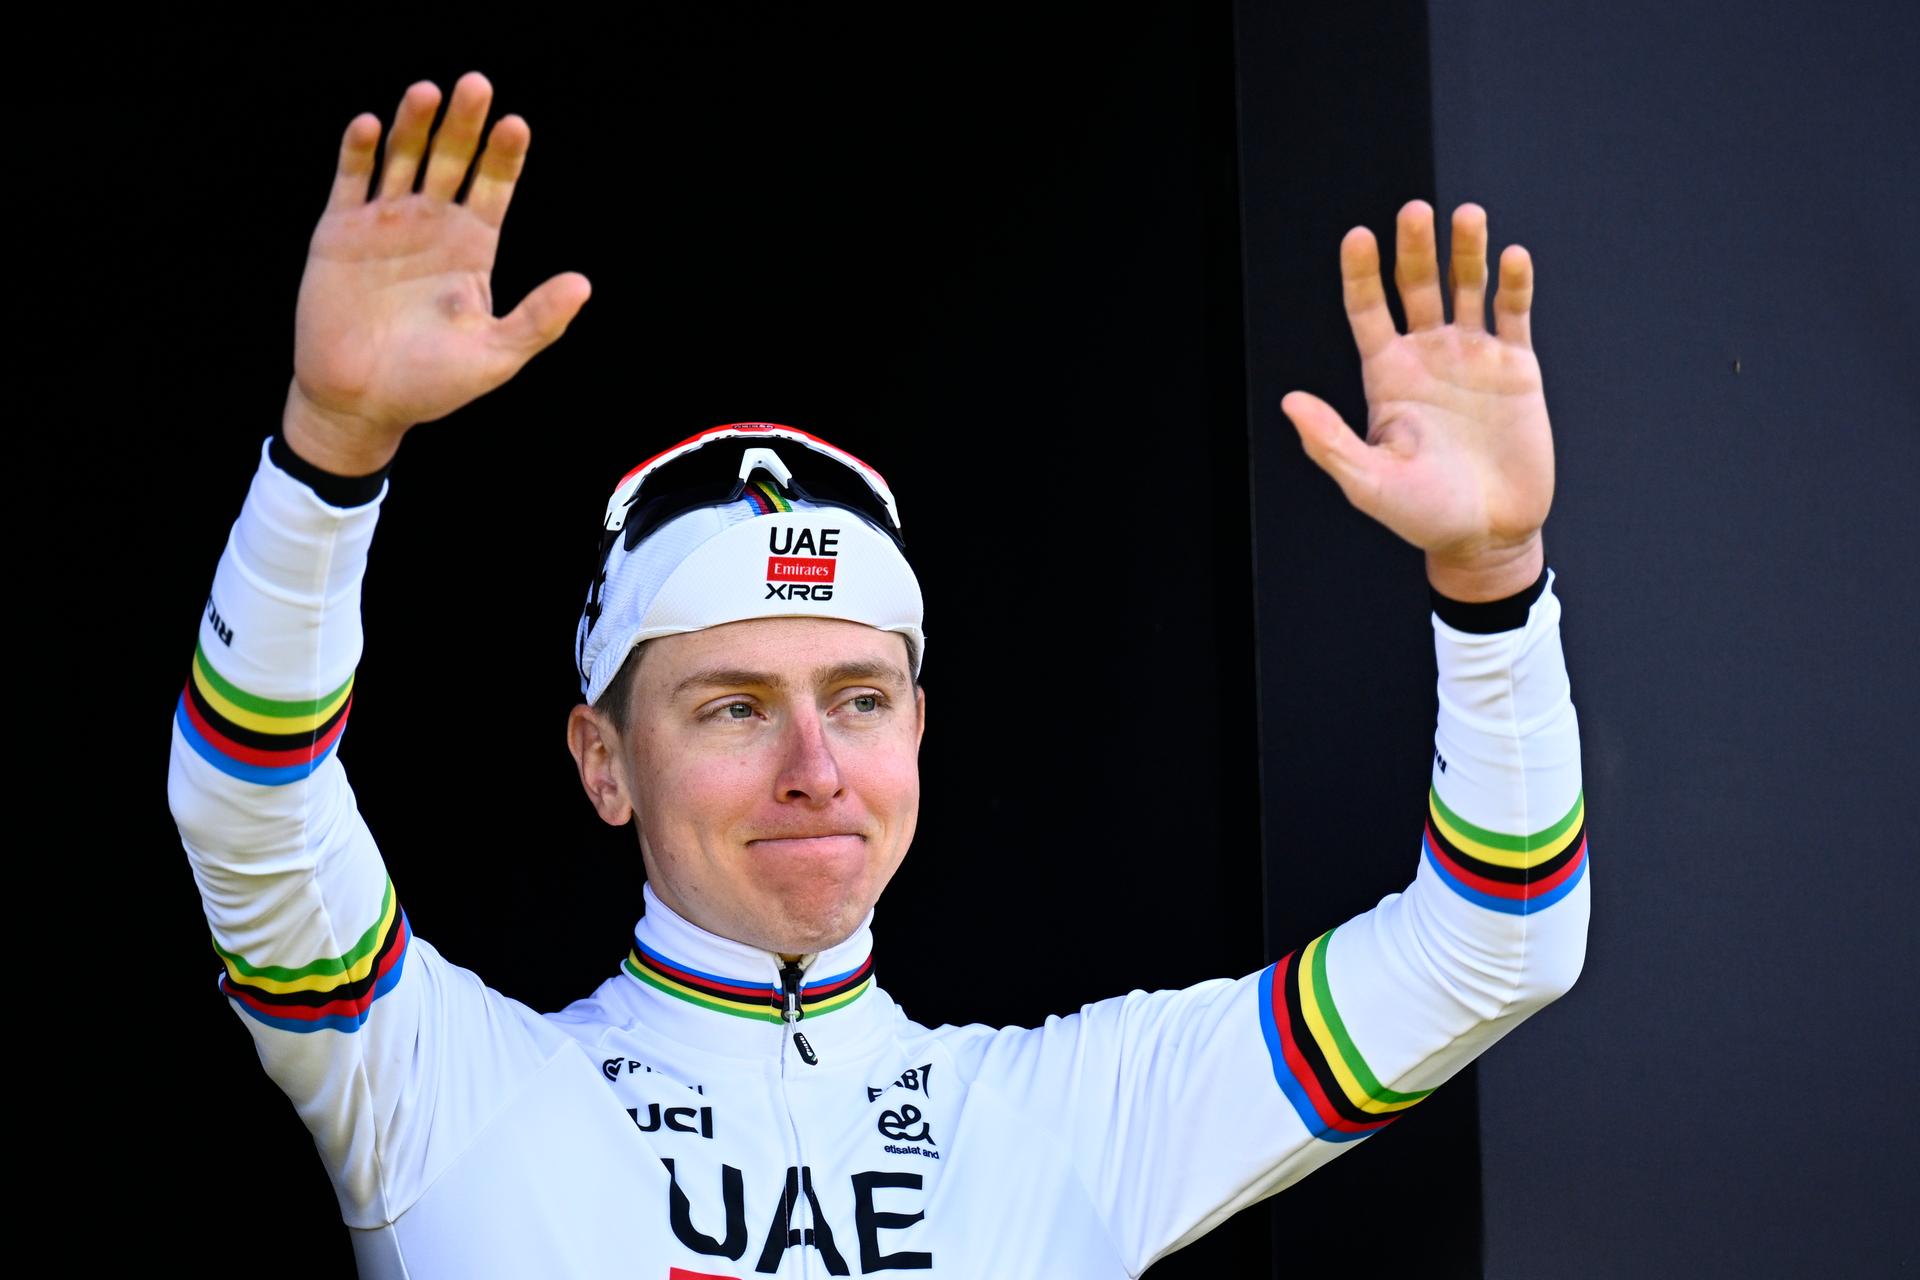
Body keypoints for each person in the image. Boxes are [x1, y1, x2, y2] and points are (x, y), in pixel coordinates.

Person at [168, 71, 1590, 1278]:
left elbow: (1500, 939)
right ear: (603, 763)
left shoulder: (1070, 1117)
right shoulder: (435, 1087)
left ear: (918, 727)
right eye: (732, 706)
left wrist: (1490, 582)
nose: (814, 767)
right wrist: (329, 451)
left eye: (858, 699)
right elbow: (252, 808)